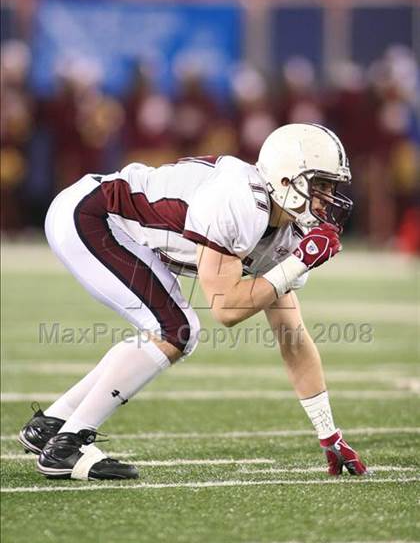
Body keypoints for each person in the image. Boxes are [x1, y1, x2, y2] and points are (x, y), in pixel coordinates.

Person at [19, 123, 368, 481]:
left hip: (115, 225)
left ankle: (53, 425)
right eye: (320, 185)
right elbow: (226, 307)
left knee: (173, 328)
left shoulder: (285, 232)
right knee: (176, 330)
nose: (328, 198)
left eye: (331, 187)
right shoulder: (242, 200)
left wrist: (328, 432)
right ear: (285, 179)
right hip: (94, 216)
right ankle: (69, 443)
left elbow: (292, 338)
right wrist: (299, 262)